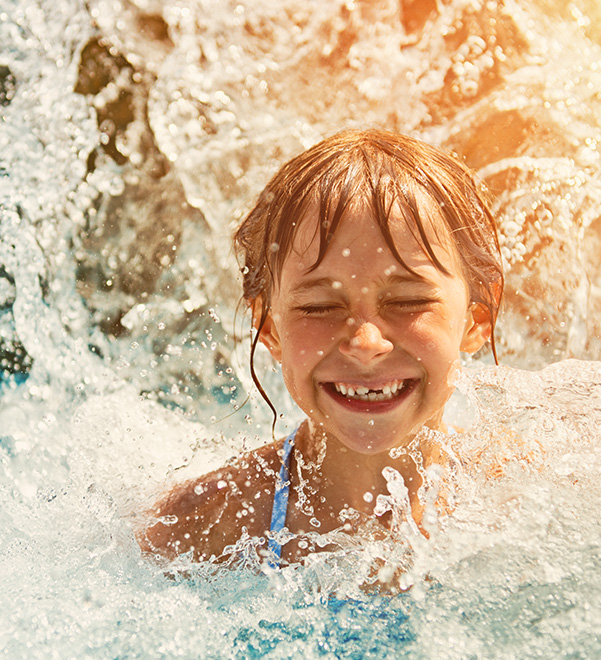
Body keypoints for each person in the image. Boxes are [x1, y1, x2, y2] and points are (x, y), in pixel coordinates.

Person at [139, 129, 504, 572]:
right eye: (320, 306)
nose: (366, 343)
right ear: (268, 326)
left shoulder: (524, 500)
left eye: (407, 301)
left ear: (477, 319)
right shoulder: (200, 530)